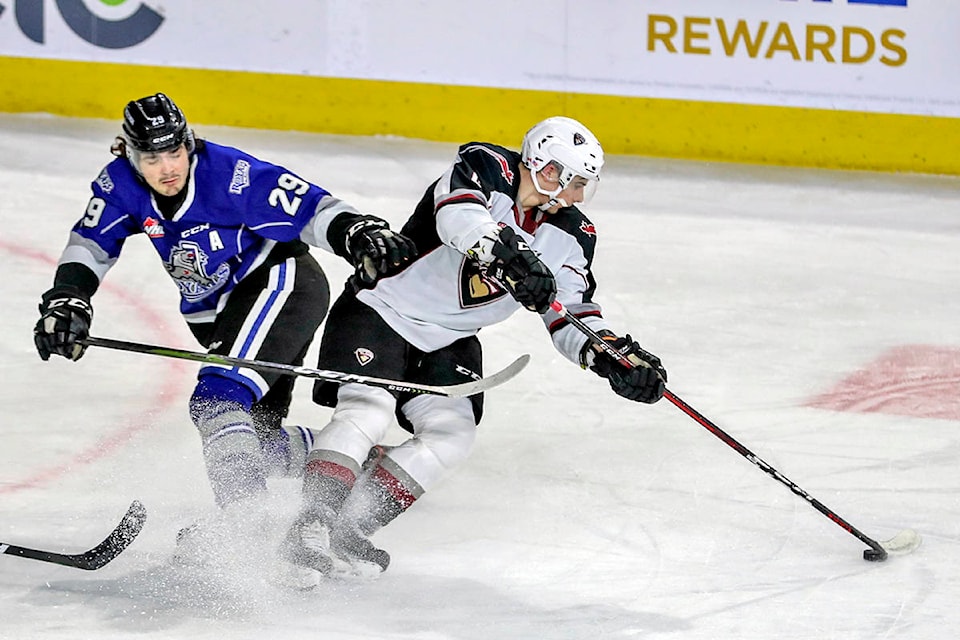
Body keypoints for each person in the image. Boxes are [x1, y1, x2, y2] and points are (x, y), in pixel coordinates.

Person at [278, 115, 667, 582]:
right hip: (381, 310)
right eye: (576, 181)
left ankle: (348, 527)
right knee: (367, 410)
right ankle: (308, 527)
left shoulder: (574, 235)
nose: (580, 196)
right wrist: (509, 254)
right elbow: (458, 217)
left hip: (450, 339)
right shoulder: (483, 167)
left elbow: (570, 312)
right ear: (547, 169)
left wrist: (608, 355)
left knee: (451, 433)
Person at [32, 93, 416, 522]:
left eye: (175, 152)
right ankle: (361, 459)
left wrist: (358, 233)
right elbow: (91, 243)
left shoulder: (230, 174)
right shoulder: (119, 184)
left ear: (188, 142)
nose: (169, 168)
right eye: (153, 158)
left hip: (279, 286)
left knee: (216, 399)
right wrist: (69, 297)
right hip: (221, 314)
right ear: (129, 153)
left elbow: (308, 205)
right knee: (249, 439)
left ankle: (243, 527)